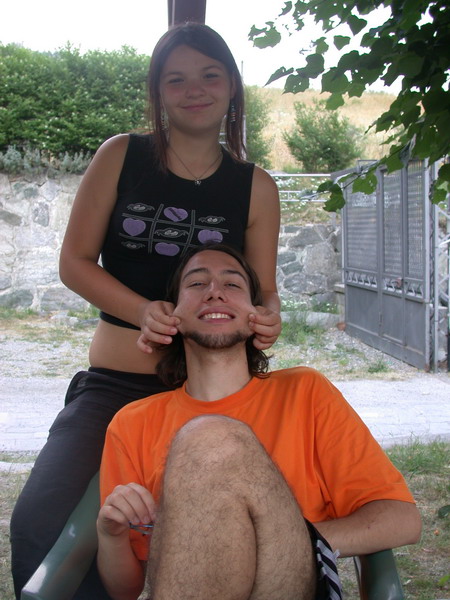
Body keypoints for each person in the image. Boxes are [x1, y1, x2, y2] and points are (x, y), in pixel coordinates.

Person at [10, 23, 281, 599]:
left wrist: (268, 317)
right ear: (158, 91)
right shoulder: (121, 155)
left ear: (232, 85)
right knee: (41, 523)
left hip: (215, 393)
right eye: (175, 79)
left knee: (216, 537)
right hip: (114, 387)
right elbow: (74, 263)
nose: (194, 89)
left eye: (209, 75)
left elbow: (265, 291)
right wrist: (144, 312)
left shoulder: (256, 186)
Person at [97, 243, 422, 600]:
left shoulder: (305, 393)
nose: (215, 292)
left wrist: (278, 541)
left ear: (257, 314)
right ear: (170, 314)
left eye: (233, 284)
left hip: (290, 584)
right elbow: (125, 590)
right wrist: (111, 535)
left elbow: (401, 519)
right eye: (197, 283)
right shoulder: (132, 424)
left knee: (211, 436)